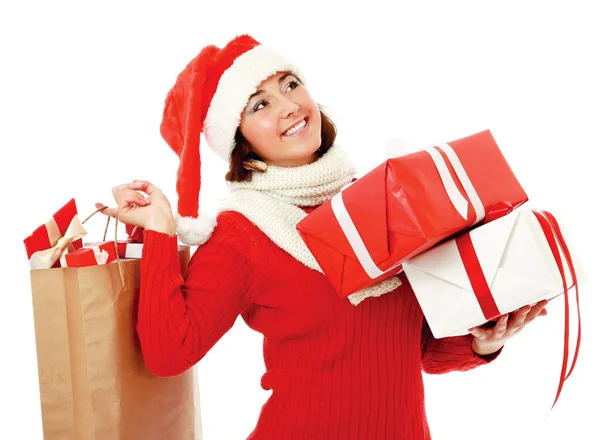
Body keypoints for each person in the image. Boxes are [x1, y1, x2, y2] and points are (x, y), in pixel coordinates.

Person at [97, 34, 548, 439]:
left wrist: (480, 344)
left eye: (290, 85)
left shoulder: (377, 202)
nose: (289, 106)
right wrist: (159, 230)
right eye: (259, 104)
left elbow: (417, 349)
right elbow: (169, 352)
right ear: (241, 143)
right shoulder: (241, 234)